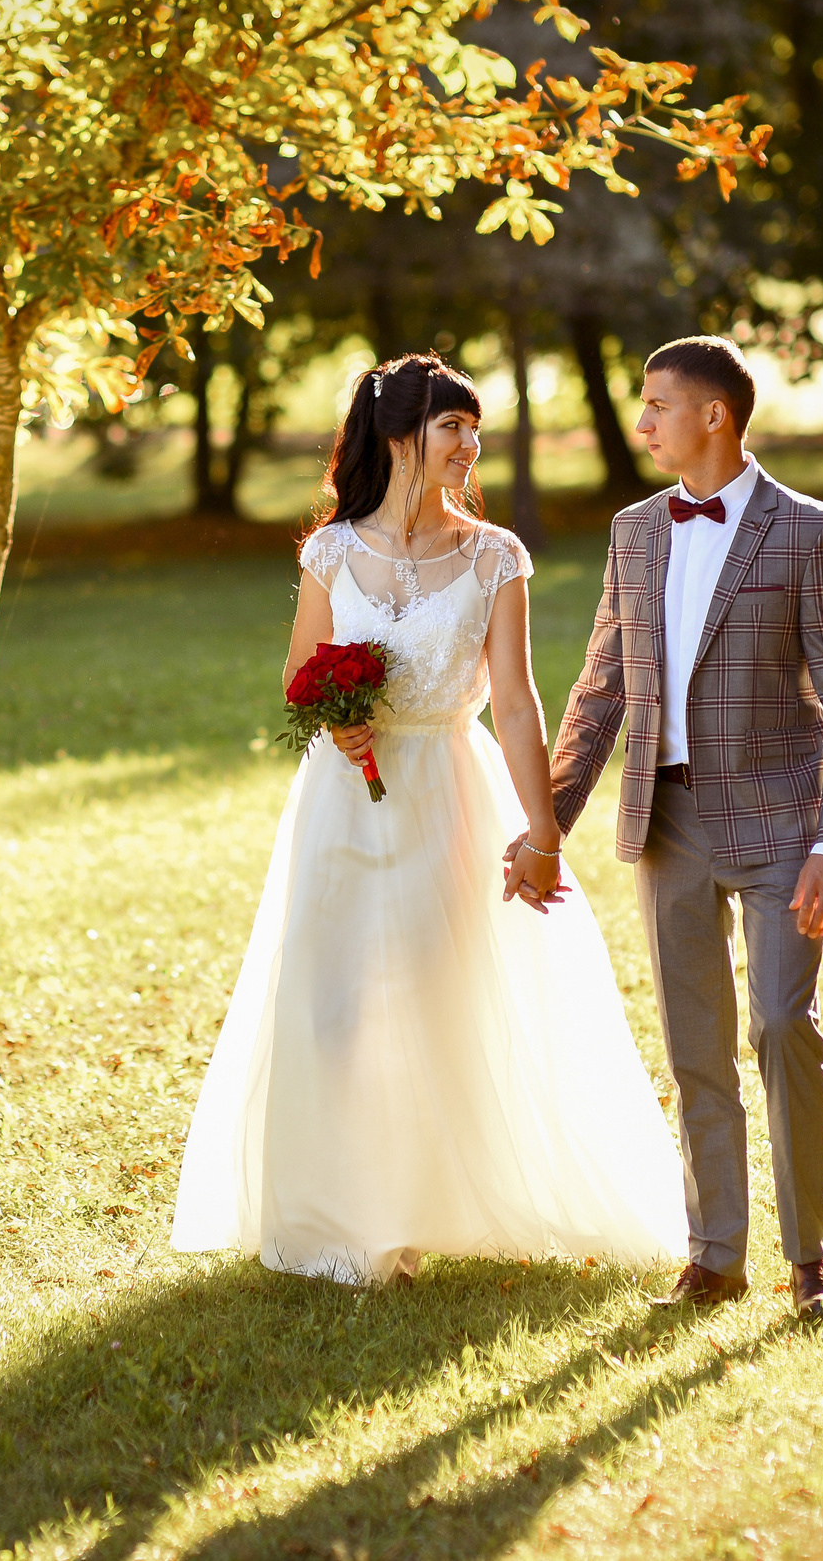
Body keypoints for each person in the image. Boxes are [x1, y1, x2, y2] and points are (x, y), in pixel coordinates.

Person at [170, 352, 686, 1286]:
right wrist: (339, 711)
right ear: (403, 433)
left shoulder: (496, 558)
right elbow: (300, 671)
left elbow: (520, 703)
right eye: (452, 426)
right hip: (343, 795)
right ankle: (346, 1213)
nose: (470, 445)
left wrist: (542, 832)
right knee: (332, 1010)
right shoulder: (328, 551)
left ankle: (415, 1214)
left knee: (430, 999)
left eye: (474, 428)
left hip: (450, 788)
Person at [527, 334, 823, 1322]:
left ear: (713, 415)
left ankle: (808, 1257)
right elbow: (600, 688)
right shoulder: (634, 531)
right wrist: (547, 821)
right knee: (695, 1048)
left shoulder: (811, 533)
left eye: (656, 404)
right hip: (667, 823)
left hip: (780, 823)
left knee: (778, 1025)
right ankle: (715, 1251)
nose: (641, 422)